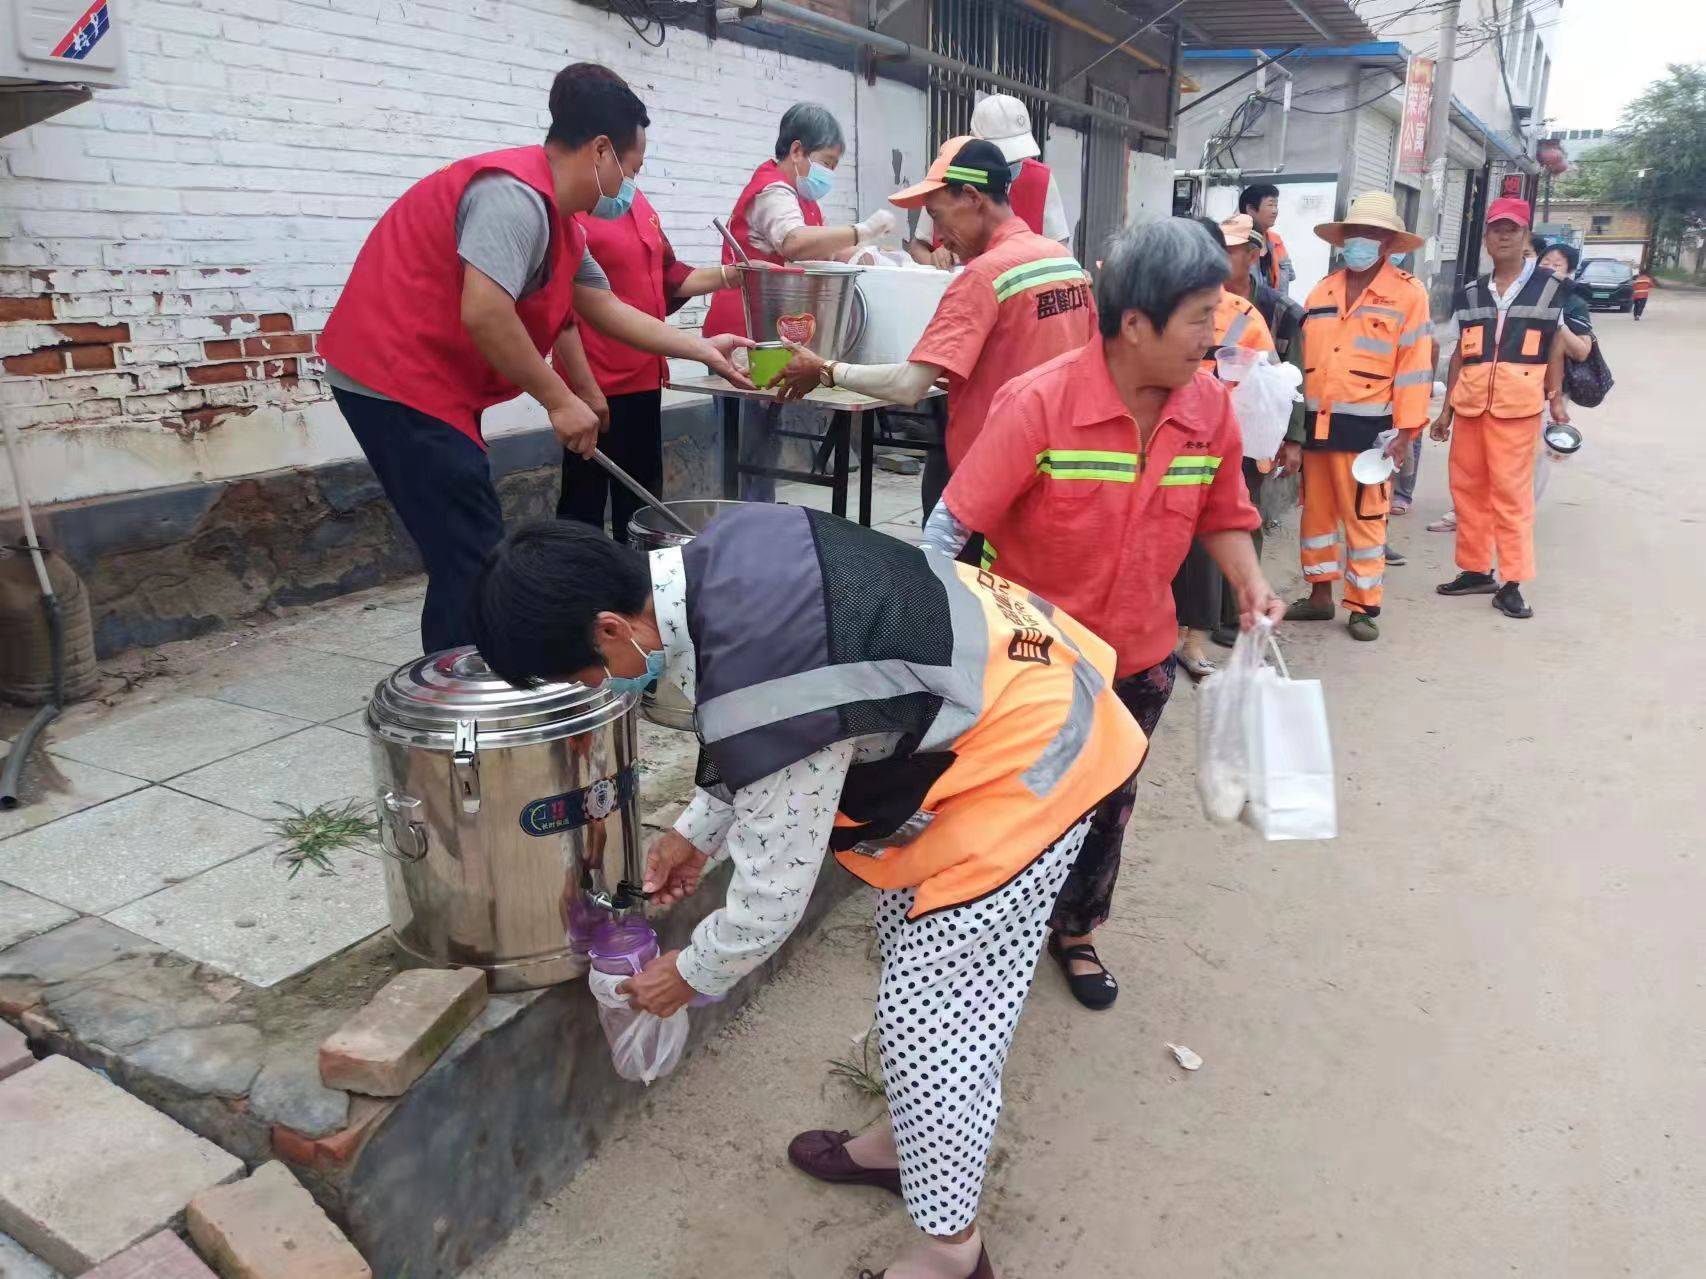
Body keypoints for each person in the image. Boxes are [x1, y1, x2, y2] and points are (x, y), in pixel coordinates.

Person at [471, 512, 1146, 1279]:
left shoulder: (764, 676)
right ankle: (904, 1146)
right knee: (910, 959)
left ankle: (952, 1252)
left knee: (934, 1025)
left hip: (1036, 754)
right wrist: (698, 829)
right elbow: (792, 720)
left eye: (584, 672)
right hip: (1012, 686)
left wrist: (688, 975)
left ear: (610, 627)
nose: (598, 687)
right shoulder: (724, 552)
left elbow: (770, 896)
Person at [917, 218, 1282, 1010]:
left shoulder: (1208, 411)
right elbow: (951, 525)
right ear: (1135, 324)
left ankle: (1075, 929)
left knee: (1106, 802)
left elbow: (1223, 512)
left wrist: (1249, 583)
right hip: (1031, 664)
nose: (1210, 336)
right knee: (1011, 801)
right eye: (1197, 318)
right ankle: (977, 930)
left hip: (1137, 661)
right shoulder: (1037, 405)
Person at [318, 64, 752, 653]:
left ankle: (473, 672)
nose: (629, 185)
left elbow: (606, 307)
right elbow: (485, 312)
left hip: (433, 381)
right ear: (601, 151)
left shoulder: (564, 225)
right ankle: (464, 696)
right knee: (470, 549)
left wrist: (704, 347)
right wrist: (559, 399)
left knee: (466, 542)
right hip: (390, 373)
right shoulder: (514, 198)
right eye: (631, 168)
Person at [776, 138, 1098, 525]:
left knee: (968, 582)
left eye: (938, 215)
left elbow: (908, 386)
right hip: (1061, 477)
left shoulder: (983, 276)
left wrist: (825, 368)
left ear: (971, 196)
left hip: (997, 487)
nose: (941, 237)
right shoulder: (1062, 262)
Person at [1284, 192, 1431, 643]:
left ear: (1388, 243)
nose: (1361, 243)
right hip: (1319, 426)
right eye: (1355, 234)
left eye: (1372, 235)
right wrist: (1292, 433)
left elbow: (1415, 365)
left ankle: (1363, 606)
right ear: (1343, 240)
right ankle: (1320, 595)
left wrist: (1406, 433)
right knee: (1317, 516)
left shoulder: (1407, 293)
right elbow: (1300, 359)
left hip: (1371, 433)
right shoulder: (1322, 290)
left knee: (1366, 520)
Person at [555, 192, 743, 541]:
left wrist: (734, 274)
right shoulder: (572, 210)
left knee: (641, 500)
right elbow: (561, 305)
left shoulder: (638, 204)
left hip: (642, 374)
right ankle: (577, 588)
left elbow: (669, 278)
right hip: (594, 376)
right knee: (583, 504)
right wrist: (584, 388)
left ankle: (638, 585)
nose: (629, 179)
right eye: (629, 163)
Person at [1432, 196, 1570, 620]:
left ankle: (1512, 582)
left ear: (1525, 235)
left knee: (1511, 497)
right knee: (1468, 493)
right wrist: (1446, 411)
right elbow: (1459, 354)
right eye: (1496, 228)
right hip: (1472, 406)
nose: (1504, 235)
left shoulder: (1550, 288)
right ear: (1486, 238)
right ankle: (1476, 570)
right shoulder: (1470, 292)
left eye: (1513, 228)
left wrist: (1556, 399)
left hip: (1519, 408)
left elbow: (1556, 347)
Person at [1171, 215, 1278, 679]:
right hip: (1164, 437)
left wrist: (1279, 443)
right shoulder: (1153, 308)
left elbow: (1274, 384)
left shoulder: (1245, 316)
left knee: (1204, 548)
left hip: (1219, 440)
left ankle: (1193, 639)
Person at [702, 103, 896, 341]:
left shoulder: (804, 198)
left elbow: (828, 249)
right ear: (797, 151)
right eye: (826, 163)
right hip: (743, 328)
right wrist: (862, 230)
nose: (829, 175)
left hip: (775, 323)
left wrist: (874, 256)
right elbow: (793, 242)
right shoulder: (772, 191)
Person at [1213, 212, 1306, 648]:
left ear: (1252, 255)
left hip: (1248, 433)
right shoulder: (1192, 301)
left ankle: (1235, 612)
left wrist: (1293, 440)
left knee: (1240, 516)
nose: (1220, 256)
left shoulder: (1275, 310)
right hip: (1200, 428)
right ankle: (1203, 615)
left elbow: (1289, 382)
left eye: (1229, 249)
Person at [906, 94, 1071, 268]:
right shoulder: (948, 173)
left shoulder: (1041, 180)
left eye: (1014, 159)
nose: (1004, 167)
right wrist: (935, 262)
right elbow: (918, 246)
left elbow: (1060, 253)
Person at [1534, 240, 1594, 502]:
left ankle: (1523, 509)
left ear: (1569, 272)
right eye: (1544, 263)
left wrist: (1557, 323)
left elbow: (1581, 351)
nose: (1549, 269)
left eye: (1557, 265)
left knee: (1536, 452)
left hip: (1552, 385)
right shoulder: (1525, 293)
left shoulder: (1574, 304)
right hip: (1516, 380)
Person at [1239, 182, 1295, 296]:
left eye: (1276, 205)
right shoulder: (1235, 242)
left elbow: (1289, 276)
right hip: (1244, 311)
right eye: (1270, 205)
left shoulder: (1276, 242)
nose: (1275, 211)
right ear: (1250, 209)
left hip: (1275, 311)